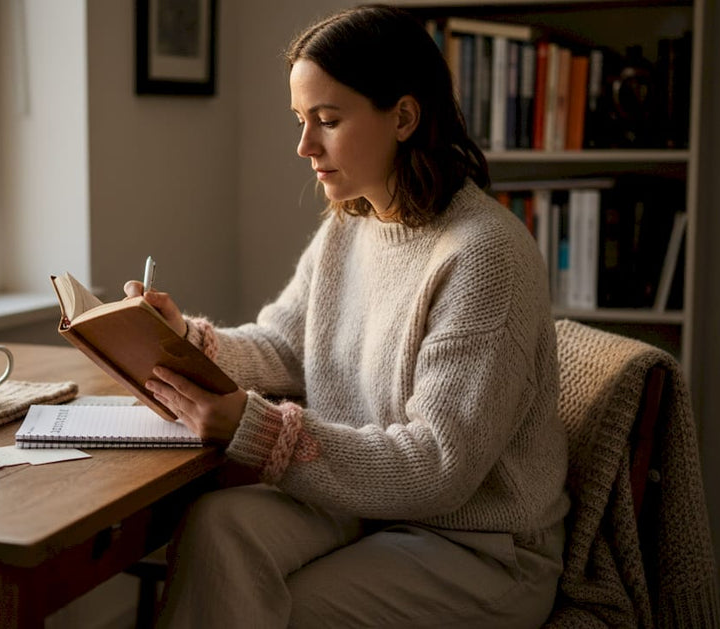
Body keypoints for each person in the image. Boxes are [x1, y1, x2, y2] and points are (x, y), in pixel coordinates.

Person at [124, 5, 569, 627]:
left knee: (288, 608)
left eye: (327, 121)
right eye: (301, 121)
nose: (304, 146)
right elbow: (284, 345)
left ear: (404, 118)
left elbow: (437, 466)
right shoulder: (350, 224)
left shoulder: (485, 255)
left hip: (478, 547)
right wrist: (187, 342)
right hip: (365, 504)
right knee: (217, 524)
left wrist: (255, 429)